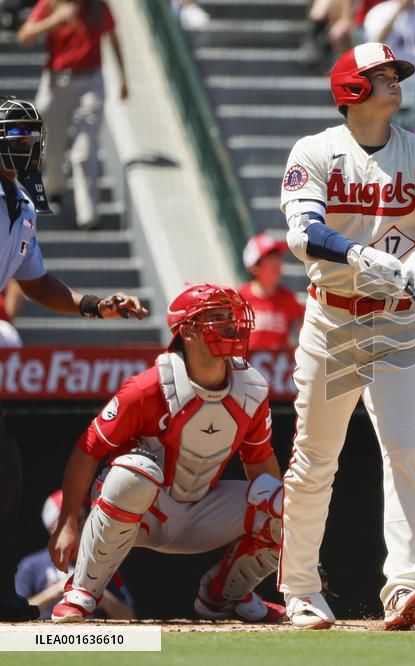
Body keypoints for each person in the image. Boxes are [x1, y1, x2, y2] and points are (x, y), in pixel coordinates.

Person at [279, 43, 415, 630]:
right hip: (333, 318)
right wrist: (359, 254)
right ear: (351, 89)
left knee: (405, 450)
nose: (394, 81)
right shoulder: (314, 151)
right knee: (315, 458)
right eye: (381, 75)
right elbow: (305, 232)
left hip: (399, 320)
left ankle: (406, 584)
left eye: (394, 74)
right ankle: (301, 589)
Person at [47, 284, 284, 623]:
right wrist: (68, 522)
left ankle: (222, 598)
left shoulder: (252, 389)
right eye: (216, 317)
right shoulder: (149, 387)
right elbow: (88, 448)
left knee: (289, 501)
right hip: (146, 511)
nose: (231, 325)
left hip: (203, 511)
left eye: (230, 316)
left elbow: (260, 462)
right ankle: (82, 591)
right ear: (188, 330)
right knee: (135, 472)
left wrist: (288, 530)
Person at [0, 97, 147, 622]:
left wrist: (94, 305)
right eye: (14, 135)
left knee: (6, 470)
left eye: (29, 136)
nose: (25, 145)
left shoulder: (20, 203)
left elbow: (35, 281)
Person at [17, 0, 128, 230]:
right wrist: (53, 21)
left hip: (90, 82)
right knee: (52, 143)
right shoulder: (50, 4)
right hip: (57, 80)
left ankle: (88, 216)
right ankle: (54, 188)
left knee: (84, 152)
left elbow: (113, 37)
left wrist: (122, 77)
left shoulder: (97, 6)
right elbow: (24, 35)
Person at [15, 490, 134, 620]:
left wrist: (97, 596)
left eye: (82, 518)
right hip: (47, 631)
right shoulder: (31, 565)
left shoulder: (102, 561)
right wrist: (56, 591)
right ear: (52, 527)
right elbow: (16, 612)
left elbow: (128, 615)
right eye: (71, 521)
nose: (79, 526)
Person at [238, 233, 306, 350]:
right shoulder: (239, 298)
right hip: (246, 360)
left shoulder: (288, 298)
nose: (277, 262)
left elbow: (305, 328)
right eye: (270, 257)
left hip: (277, 361)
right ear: (255, 268)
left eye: (278, 256)